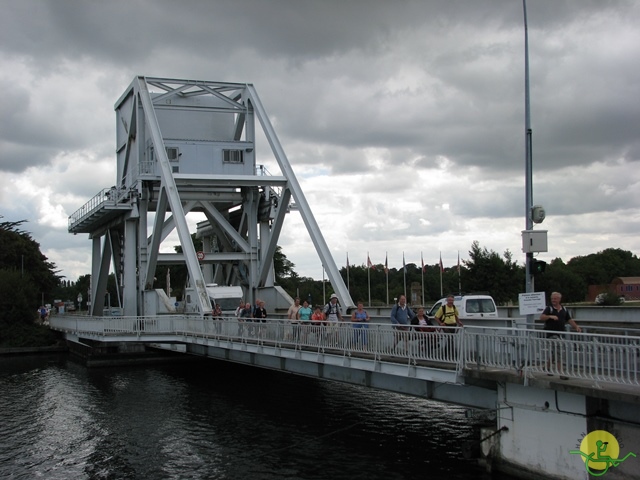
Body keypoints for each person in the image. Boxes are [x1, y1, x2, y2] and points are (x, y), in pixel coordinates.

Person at [539, 291, 581, 379]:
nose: (553, 300)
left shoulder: (564, 309)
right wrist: (550, 316)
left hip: (561, 333)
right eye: (552, 299)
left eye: (555, 298)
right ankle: (561, 373)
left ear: (559, 299)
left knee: (555, 353)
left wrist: (576, 327)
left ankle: (547, 367)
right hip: (551, 334)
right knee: (558, 353)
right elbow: (542, 317)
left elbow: (569, 319)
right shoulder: (549, 308)